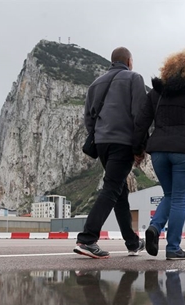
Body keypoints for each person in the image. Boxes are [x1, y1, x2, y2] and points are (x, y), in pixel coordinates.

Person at [132, 48, 185, 260]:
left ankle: (155, 228)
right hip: (182, 150)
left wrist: (137, 150)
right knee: (179, 200)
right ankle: (173, 247)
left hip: (158, 151)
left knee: (169, 194)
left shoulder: (156, 92)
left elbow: (141, 123)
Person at [74, 47, 147, 259]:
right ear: (129, 61)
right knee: (112, 188)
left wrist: (99, 137)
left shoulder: (95, 84)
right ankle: (87, 239)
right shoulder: (134, 78)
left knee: (120, 192)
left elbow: (88, 118)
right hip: (123, 142)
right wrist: (139, 148)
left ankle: (132, 243)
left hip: (103, 143)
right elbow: (139, 115)